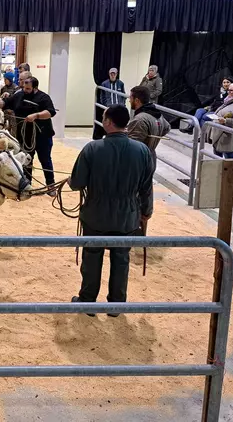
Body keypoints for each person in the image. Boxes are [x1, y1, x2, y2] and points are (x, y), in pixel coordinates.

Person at [68, 104, 154, 313]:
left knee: (91, 257)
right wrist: (146, 212)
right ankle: (116, 304)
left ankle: (87, 302)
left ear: (107, 122)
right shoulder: (142, 150)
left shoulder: (92, 148)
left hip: (95, 214)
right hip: (127, 216)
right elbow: (146, 187)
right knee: (121, 259)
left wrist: (74, 180)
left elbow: (77, 183)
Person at [0, 76, 57, 195]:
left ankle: (51, 186)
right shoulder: (19, 95)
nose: (25, 90)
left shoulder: (44, 98)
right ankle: (27, 185)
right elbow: (7, 102)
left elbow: (50, 112)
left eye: (28, 89)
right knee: (26, 159)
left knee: (45, 160)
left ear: (35, 88)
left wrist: (36, 116)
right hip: (24, 135)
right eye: (24, 88)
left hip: (42, 134)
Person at [127, 85, 171, 167]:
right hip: (151, 159)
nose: (129, 100)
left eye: (130, 98)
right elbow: (167, 128)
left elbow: (132, 146)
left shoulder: (139, 119)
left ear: (137, 100)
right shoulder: (159, 116)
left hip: (139, 162)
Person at [209, 83, 233, 159]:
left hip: (228, 133)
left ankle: (230, 170)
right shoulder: (228, 100)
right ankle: (218, 168)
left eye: (231, 90)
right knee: (218, 153)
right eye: (228, 90)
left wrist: (226, 121)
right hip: (220, 131)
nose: (229, 92)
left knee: (228, 155)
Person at [94, 68, 126, 140]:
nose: (113, 75)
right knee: (109, 123)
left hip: (118, 107)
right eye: (111, 73)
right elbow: (102, 96)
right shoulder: (104, 84)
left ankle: (118, 137)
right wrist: (105, 105)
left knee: (118, 123)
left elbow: (123, 95)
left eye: (114, 73)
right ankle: (108, 136)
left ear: (117, 74)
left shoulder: (120, 83)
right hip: (109, 107)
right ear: (109, 74)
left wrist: (122, 104)